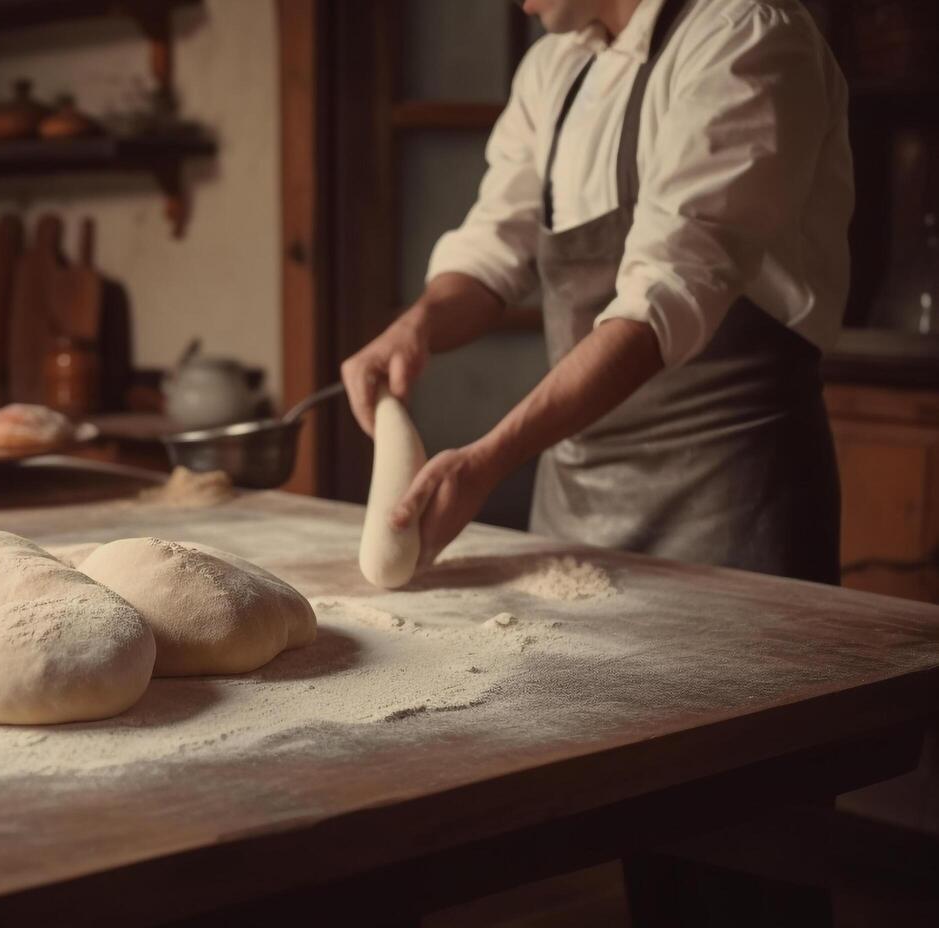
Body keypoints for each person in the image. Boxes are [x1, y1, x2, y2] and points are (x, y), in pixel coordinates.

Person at [341, 0, 852, 584]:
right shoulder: (553, 69)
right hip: (575, 495)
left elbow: (665, 296)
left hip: (731, 493)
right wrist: (419, 325)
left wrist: (491, 459)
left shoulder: (744, 37)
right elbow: (494, 248)